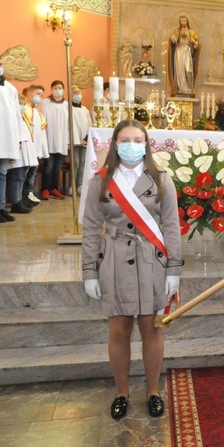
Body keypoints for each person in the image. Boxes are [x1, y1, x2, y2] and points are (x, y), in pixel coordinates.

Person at [81, 120, 183, 420]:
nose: (132, 145)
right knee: (119, 330)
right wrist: (89, 271)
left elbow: (171, 227)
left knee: (152, 329)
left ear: (147, 144)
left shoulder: (161, 179)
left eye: (138, 140)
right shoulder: (100, 181)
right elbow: (90, 229)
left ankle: (153, 391)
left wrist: (173, 269)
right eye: (125, 140)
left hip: (152, 261)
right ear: (114, 143)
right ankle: (122, 392)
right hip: (114, 261)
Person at [0, 51, 21, 224]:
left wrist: (18, 138)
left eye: (0, 65)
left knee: (2, 173)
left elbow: (16, 115)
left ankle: (1, 207)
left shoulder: (10, 88)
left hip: (7, 136)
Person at [6, 88, 37, 214]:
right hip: (17, 154)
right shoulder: (12, 118)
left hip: (25, 154)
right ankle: (15, 202)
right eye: (20, 103)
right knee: (16, 177)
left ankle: (19, 199)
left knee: (21, 177)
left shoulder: (23, 118)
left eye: (24, 104)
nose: (23, 106)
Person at [40, 80, 68, 200]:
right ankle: (45, 189)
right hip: (49, 139)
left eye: (60, 87)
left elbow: (68, 123)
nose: (58, 90)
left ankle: (54, 188)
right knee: (48, 167)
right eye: (55, 88)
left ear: (63, 89)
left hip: (61, 140)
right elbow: (42, 121)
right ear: (51, 89)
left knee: (57, 167)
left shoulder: (66, 104)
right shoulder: (45, 102)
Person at [168, 15, 199, 96]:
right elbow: (173, 41)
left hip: (187, 51)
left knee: (188, 69)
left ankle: (189, 88)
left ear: (187, 21)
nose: (182, 22)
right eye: (181, 21)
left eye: (184, 21)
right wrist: (173, 37)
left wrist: (193, 41)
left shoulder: (191, 32)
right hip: (179, 50)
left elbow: (197, 45)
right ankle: (181, 88)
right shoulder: (177, 31)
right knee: (179, 69)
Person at [70, 85, 92, 196]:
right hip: (74, 141)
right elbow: (70, 125)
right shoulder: (69, 109)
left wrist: (85, 139)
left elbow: (89, 125)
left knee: (83, 164)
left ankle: (80, 185)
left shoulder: (85, 110)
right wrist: (76, 139)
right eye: (74, 92)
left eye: (79, 91)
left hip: (84, 141)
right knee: (75, 163)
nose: (78, 94)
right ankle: (71, 186)